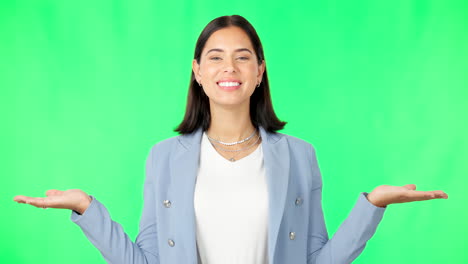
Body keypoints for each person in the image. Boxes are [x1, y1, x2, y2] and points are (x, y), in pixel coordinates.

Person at [14, 15, 448, 264]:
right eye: (215, 58)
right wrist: (85, 208)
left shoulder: (299, 155)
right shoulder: (164, 158)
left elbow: (318, 260)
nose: (229, 68)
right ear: (198, 72)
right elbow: (145, 260)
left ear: (259, 72)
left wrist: (372, 205)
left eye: (243, 58)